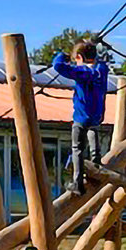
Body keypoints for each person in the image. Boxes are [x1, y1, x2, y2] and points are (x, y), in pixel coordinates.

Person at [51, 41, 109, 195]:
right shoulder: (102, 70)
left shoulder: (83, 72)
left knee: (77, 148)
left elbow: (58, 66)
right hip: (96, 114)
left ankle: (77, 182)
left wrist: (61, 56)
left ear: (79, 57)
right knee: (93, 132)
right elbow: (101, 61)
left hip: (81, 116)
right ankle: (96, 163)